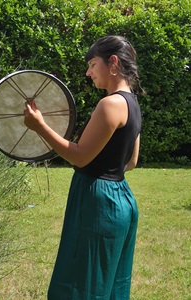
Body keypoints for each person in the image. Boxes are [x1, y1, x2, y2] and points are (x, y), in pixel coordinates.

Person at [24, 35, 144, 300]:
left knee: (81, 285)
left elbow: (80, 157)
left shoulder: (109, 104)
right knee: (109, 284)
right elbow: (132, 161)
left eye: (92, 64)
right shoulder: (132, 103)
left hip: (97, 203)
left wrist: (39, 126)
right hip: (121, 198)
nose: (88, 73)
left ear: (112, 62)